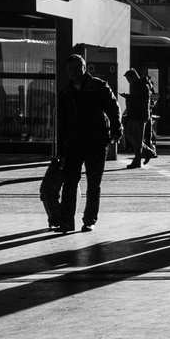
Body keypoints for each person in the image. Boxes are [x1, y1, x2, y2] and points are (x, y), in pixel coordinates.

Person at [56, 54, 122, 233]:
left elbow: (113, 108)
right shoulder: (65, 93)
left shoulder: (98, 87)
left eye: (77, 68)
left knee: (93, 182)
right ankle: (67, 221)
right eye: (71, 69)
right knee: (69, 182)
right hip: (73, 143)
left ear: (84, 68)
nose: (74, 72)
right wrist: (60, 150)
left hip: (95, 141)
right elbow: (61, 123)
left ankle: (89, 219)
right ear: (67, 71)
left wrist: (116, 130)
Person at [122, 69, 152, 169]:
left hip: (139, 115)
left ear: (133, 77)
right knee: (131, 135)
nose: (128, 81)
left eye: (128, 79)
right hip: (135, 114)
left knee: (135, 136)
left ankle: (139, 157)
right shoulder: (138, 85)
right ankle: (144, 152)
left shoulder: (141, 86)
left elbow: (139, 101)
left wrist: (129, 98)